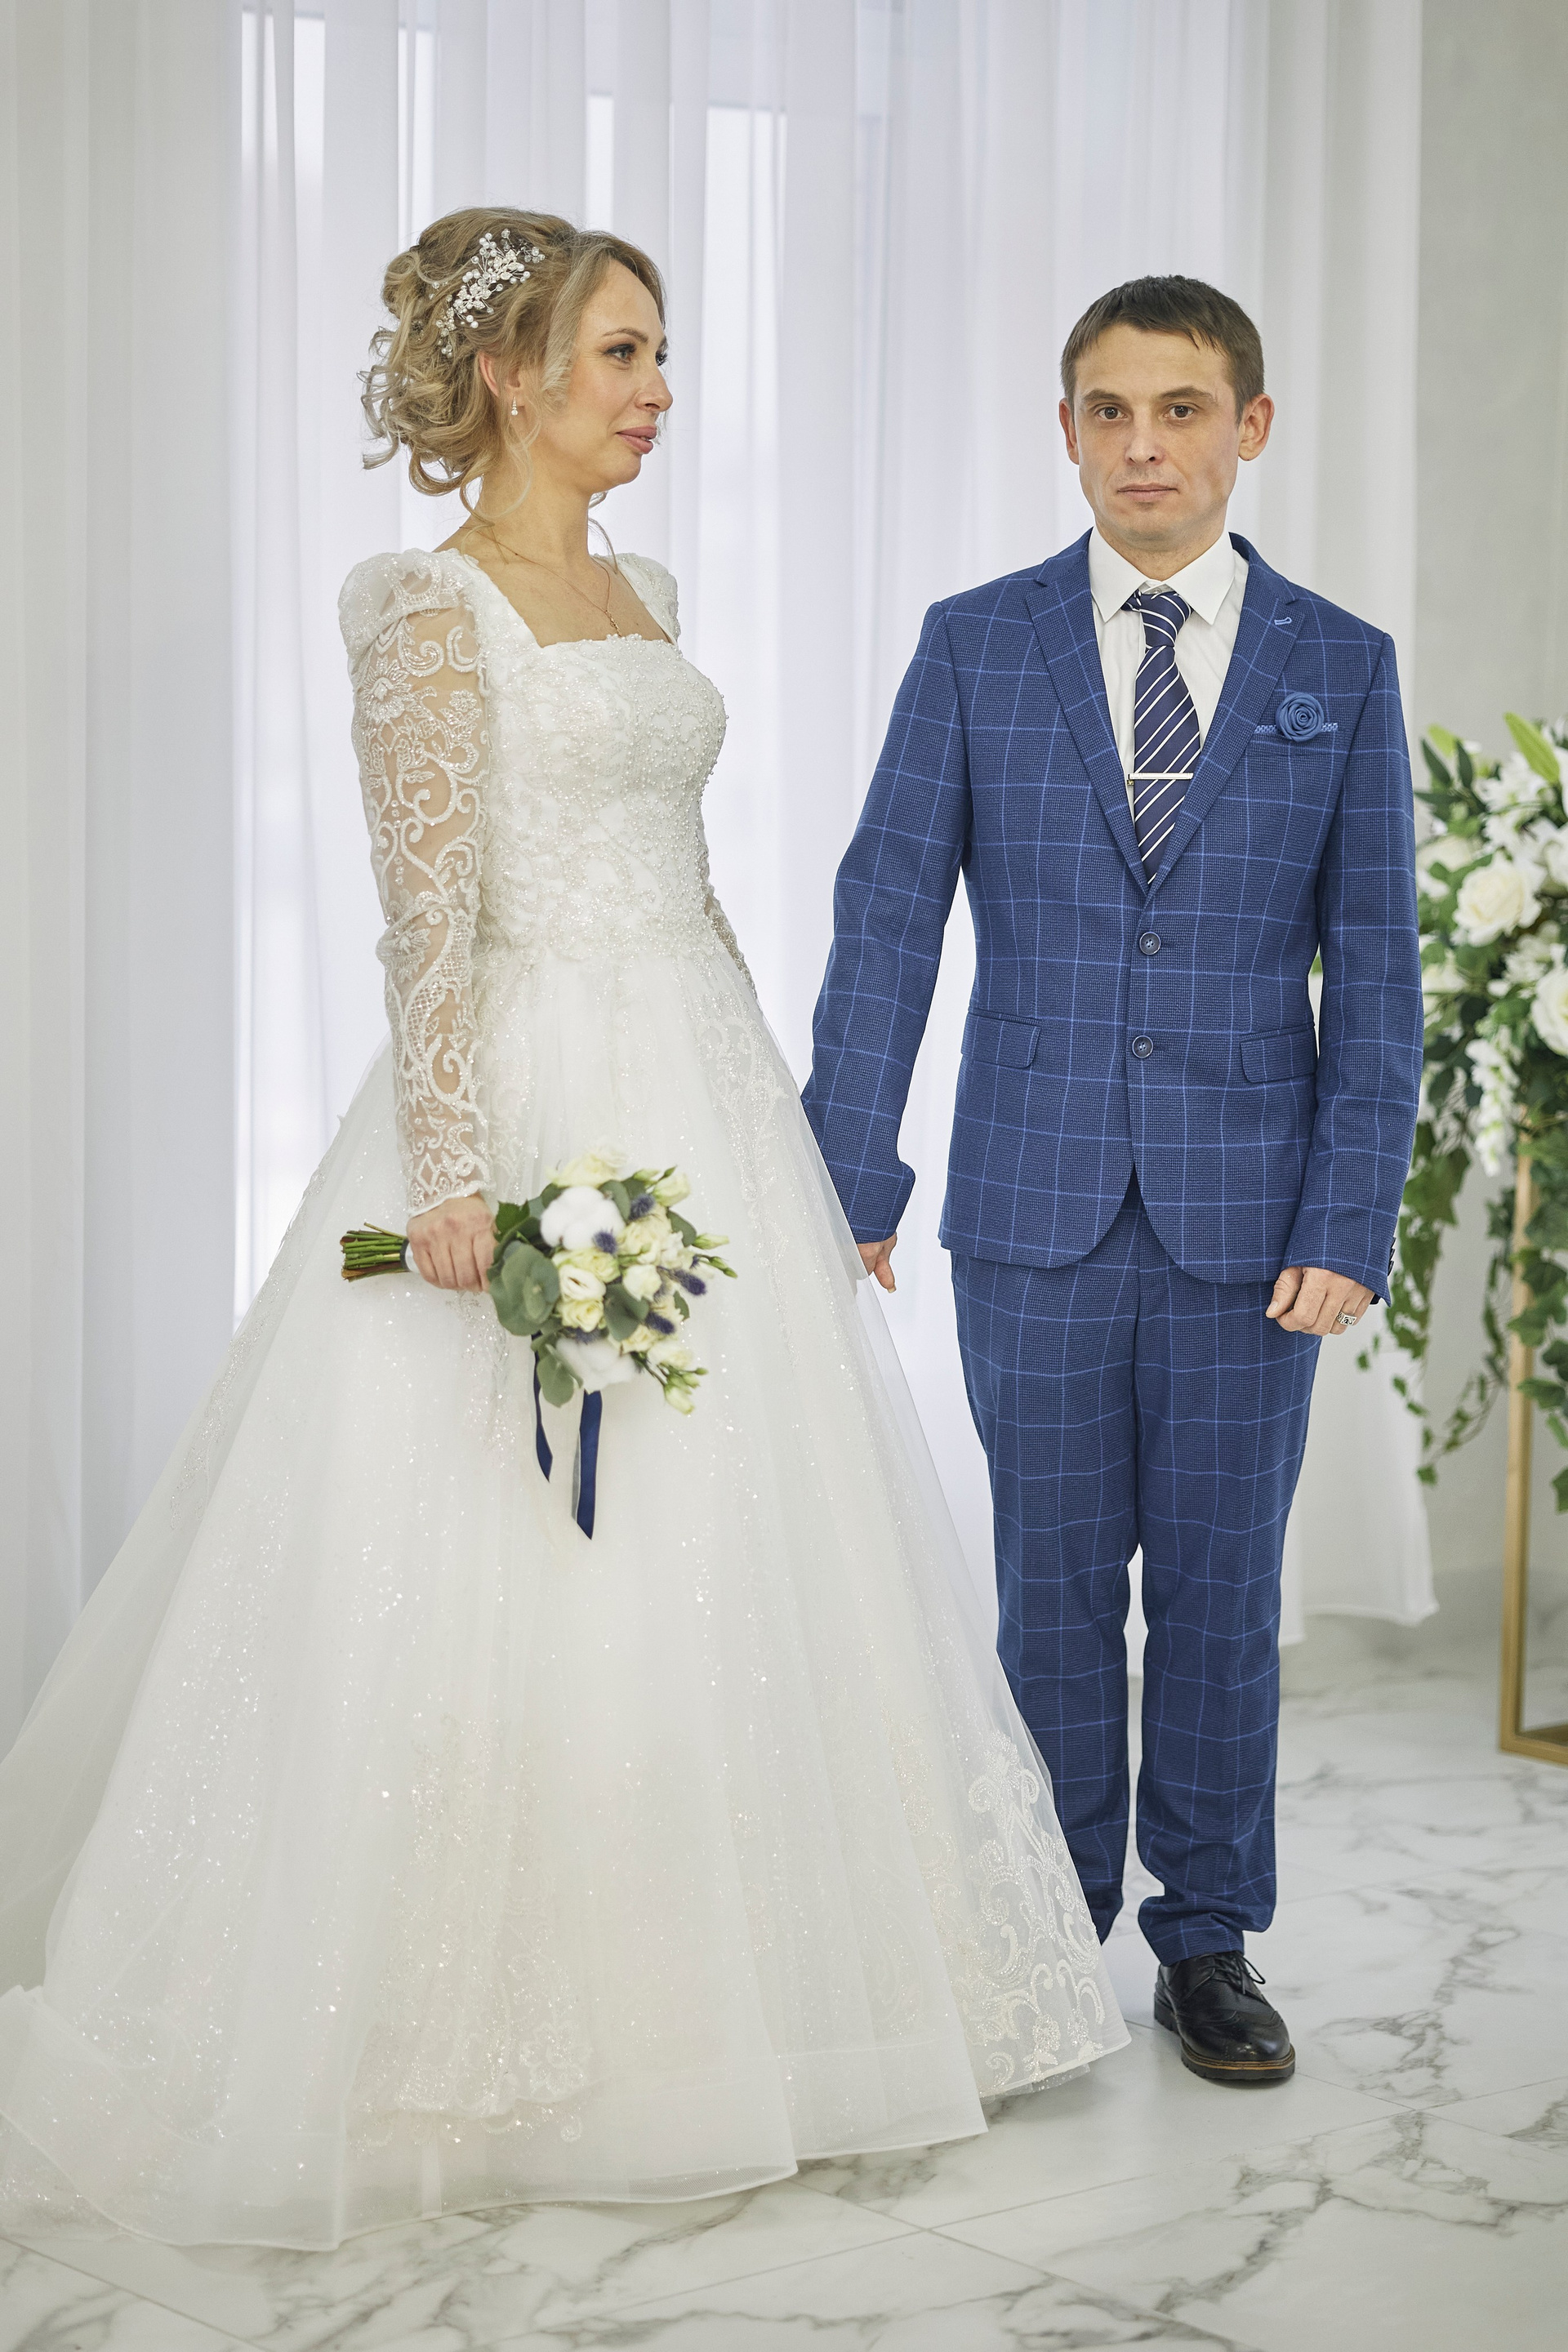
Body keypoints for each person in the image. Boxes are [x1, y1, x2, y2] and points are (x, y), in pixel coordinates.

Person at [0, 210, 1122, 2252]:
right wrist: (451, 1173)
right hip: (529, 1095)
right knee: (524, 1542)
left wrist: (789, 1133)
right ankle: (504, 2034)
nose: (659, 389)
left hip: (697, 1080)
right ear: (512, 375)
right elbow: (425, 916)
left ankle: (784, 2004)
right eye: (623, 353)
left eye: (661, 351)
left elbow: (687, 880)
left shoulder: (644, 589)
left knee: (736, 1527)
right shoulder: (425, 610)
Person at [804, 275, 1422, 2088]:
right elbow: (888, 918)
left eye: (1181, 408)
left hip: (1256, 1229)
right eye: (1108, 410)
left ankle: (1207, 1939)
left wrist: (1349, 1215)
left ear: (1251, 426)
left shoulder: (1338, 665)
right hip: (1035, 1208)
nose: (1144, 444)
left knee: (1221, 1598)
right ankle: (1046, 1926)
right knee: (1051, 1590)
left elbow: (1379, 973)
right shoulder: (977, 645)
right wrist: (851, 1168)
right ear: (1066, 430)